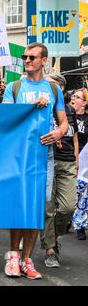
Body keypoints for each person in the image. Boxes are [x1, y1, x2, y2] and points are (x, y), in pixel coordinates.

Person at [2, 42, 68, 280]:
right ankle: (13, 255)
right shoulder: (14, 87)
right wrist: (30, 108)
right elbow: (5, 118)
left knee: (38, 208)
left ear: (44, 61)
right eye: (25, 57)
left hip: (44, 156)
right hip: (19, 155)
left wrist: (59, 132)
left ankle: (27, 259)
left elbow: (63, 122)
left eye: (32, 57)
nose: (27, 60)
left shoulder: (53, 90)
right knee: (20, 206)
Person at [39, 74, 78, 268]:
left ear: (60, 89)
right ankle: (50, 249)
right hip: (48, 160)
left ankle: (55, 235)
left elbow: (75, 137)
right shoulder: (41, 108)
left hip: (68, 162)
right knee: (47, 207)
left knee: (68, 206)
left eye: (52, 85)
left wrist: (77, 161)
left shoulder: (69, 110)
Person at [71, 88, 88, 240]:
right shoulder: (66, 115)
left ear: (84, 102)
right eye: (73, 96)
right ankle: (66, 220)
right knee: (72, 194)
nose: (73, 98)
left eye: (77, 97)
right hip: (69, 158)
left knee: (82, 193)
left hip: (85, 162)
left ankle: (80, 226)